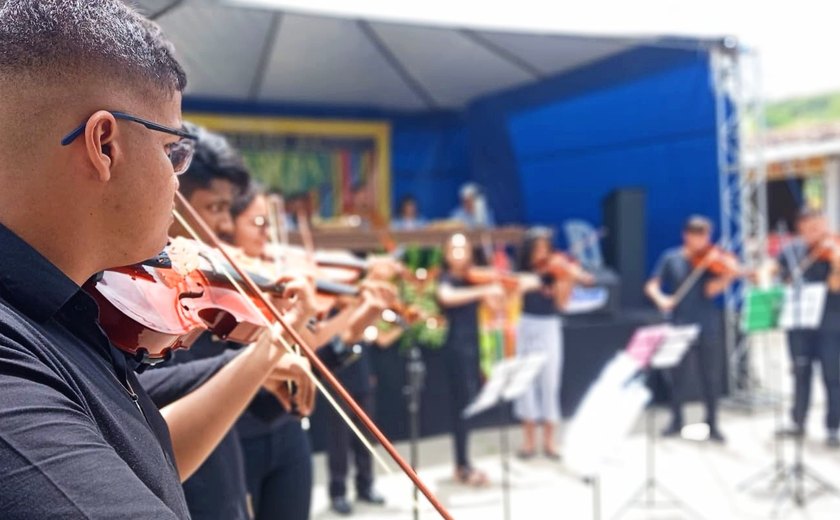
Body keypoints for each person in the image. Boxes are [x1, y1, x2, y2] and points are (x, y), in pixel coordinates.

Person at [0, 3, 312, 516]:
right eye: (172, 152)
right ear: (104, 144)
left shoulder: (67, 308)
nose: (176, 181)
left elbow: (136, 447)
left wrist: (254, 360)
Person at [645, 216, 735, 443]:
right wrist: (661, 298)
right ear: (687, 235)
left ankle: (712, 423)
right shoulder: (671, 258)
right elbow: (652, 284)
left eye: (705, 235)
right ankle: (677, 420)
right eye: (697, 235)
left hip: (707, 324)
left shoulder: (711, 261)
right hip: (679, 323)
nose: (702, 240)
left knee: (711, 377)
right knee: (679, 377)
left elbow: (711, 290)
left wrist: (726, 277)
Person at [325, 260, 402, 515]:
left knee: (366, 436)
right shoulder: (333, 310)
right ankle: (338, 491)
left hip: (362, 375)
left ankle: (365, 485)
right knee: (339, 440)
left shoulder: (365, 304)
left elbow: (372, 339)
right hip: (339, 377)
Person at [513, 227, 593, 459]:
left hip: (549, 326)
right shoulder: (523, 273)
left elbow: (561, 305)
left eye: (545, 249)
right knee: (526, 383)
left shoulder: (557, 270)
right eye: (537, 249)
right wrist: (543, 277)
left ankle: (550, 442)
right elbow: (521, 286)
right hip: (527, 324)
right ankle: (528, 442)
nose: (541, 254)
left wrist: (566, 277)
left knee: (550, 382)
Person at [436, 233, 504, 485]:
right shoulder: (447, 279)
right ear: (445, 253)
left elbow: (496, 307)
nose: (458, 252)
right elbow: (446, 297)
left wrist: (498, 288)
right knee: (461, 408)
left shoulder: (472, 279)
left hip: (474, 346)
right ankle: (462, 465)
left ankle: (464, 462)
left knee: (468, 407)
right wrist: (483, 288)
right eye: (453, 248)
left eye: (463, 248)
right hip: (455, 348)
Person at [776, 209, 840, 447]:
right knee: (801, 374)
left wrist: (836, 265)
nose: (817, 232)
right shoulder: (790, 251)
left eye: (820, 226)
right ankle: (798, 422)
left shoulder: (833, 249)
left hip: (831, 324)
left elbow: (835, 287)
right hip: (799, 323)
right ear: (801, 228)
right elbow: (780, 279)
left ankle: (833, 427)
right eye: (810, 227)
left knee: (833, 377)